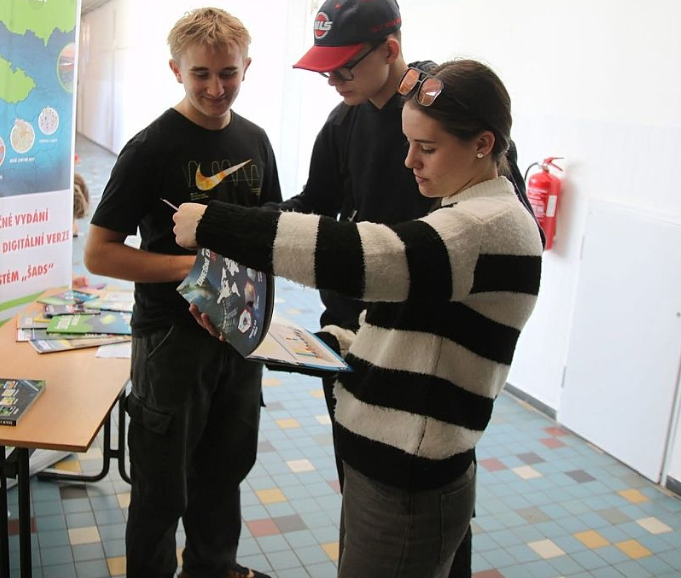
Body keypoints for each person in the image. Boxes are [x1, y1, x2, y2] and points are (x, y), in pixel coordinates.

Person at [173, 59, 543, 577]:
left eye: (427, 147)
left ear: (483, 144)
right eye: (408, 143)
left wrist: (216, 224)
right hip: (384, 469)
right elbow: (400, 335)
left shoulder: (485, 226)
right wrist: (273, 338)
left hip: (408, 481)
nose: (409, 161)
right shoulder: (458, 213)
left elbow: (367, 257)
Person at [276, 0, 539, 574]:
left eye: (344, 67)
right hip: (353, 338)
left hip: (426, 353)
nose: (333, 81)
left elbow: (506, 220)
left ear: (390, 49)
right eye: (324, 71)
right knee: (364, 498)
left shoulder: (450, 111)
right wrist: (246, 227)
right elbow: (316, 203)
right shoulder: (343, 122)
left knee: (429, 512)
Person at [84, 7, 281, 578]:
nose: (216, 88)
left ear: (247, 67)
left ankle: (212, 570)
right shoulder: (150, 148)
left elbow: (270, 230)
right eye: (201, 74)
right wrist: (196, 268)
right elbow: (99, 253)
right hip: (171, 339)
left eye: (228, 73)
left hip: (237, 336)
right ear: (175, 70)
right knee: (160, 489)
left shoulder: (256, 140)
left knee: (224, 475)